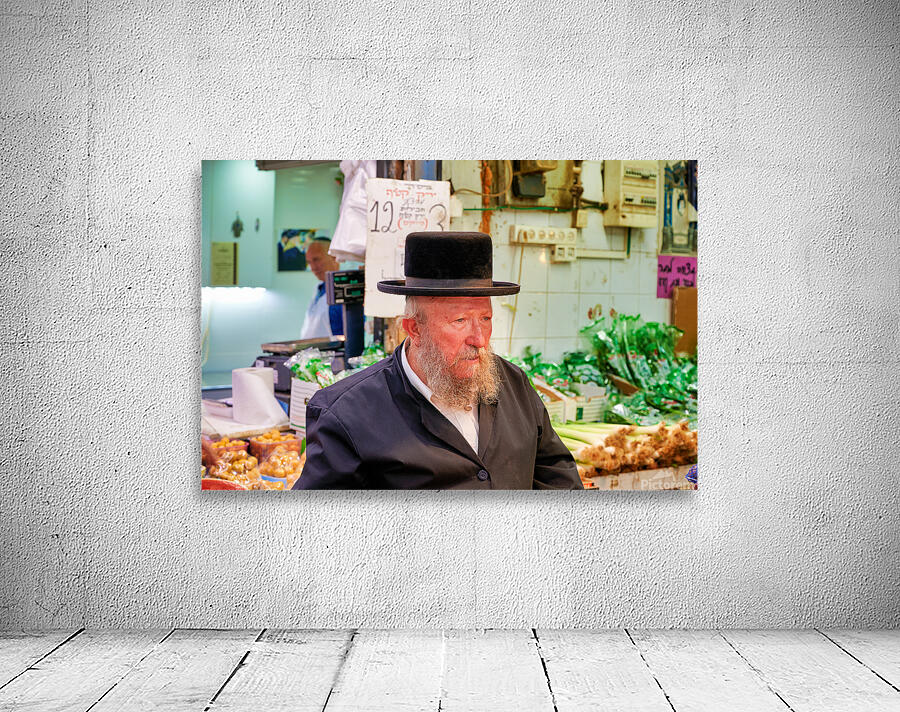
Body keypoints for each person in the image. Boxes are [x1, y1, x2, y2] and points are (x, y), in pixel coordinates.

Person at [293, 231, 583, 490]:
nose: (479, 339)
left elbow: (559, 478)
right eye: (460, 321)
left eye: (485, 318)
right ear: (414, 329)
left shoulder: (514, 383)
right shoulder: (346, 415)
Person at [299, 237, 344, 339]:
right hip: (311, 348)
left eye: (316, 260)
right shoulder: (319, 288)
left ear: (334, 257)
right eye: (309, 262)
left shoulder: (342, 290)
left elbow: (346, 336)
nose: (313, 267)